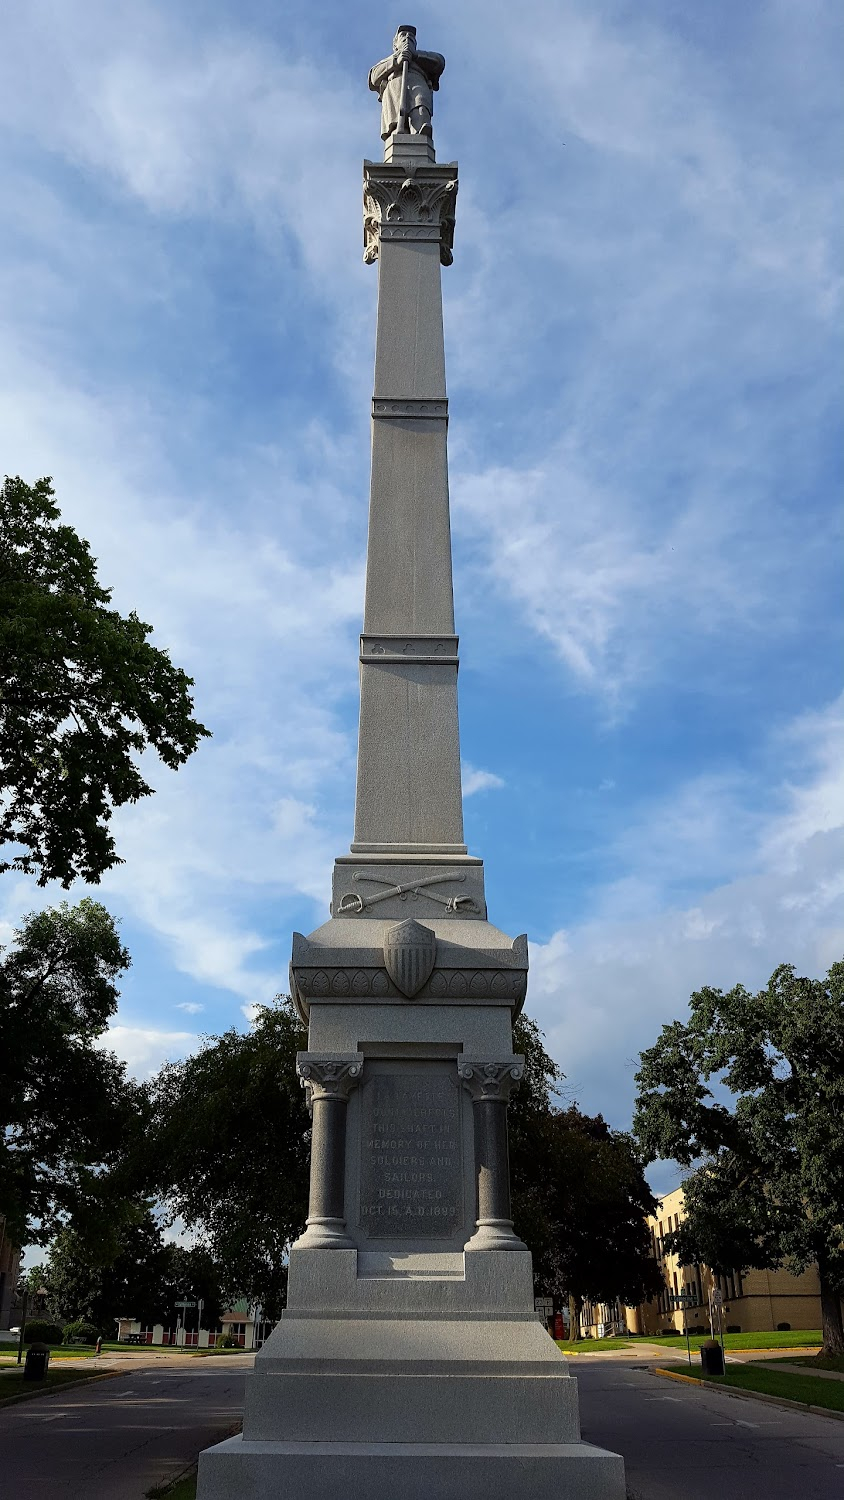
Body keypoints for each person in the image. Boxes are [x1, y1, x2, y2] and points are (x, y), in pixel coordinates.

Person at [369, 25, 445, 141]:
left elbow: (439, 62)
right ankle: (397, 136)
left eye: (411, 36)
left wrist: (416, 55)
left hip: (417, 81)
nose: (408, 37)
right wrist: (395, 61)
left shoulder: (422, 57)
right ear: (395, 44)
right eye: (403, 35)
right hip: (394, 86)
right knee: (396, 118)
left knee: (420, 105)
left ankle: (420, 131)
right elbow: (373, 77)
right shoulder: (389, 60)